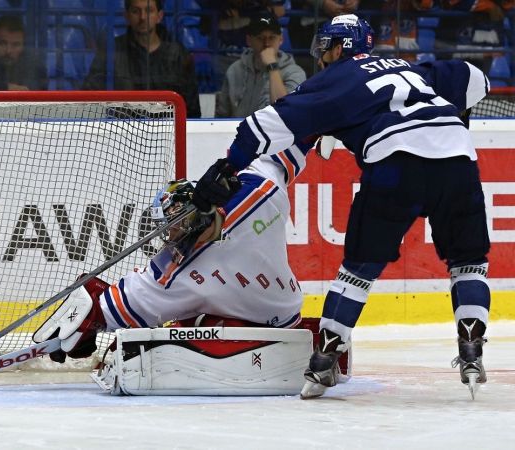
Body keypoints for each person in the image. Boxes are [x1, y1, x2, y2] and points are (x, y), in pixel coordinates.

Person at [191, 14, 491, 399]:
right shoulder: (412, 67)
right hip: (457, 160)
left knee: (358, 272)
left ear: (339, 47)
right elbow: (476, 80)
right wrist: (452, 123)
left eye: (325, 47)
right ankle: (471, 352)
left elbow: (261, 126)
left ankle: (323, 363)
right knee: (468, 262)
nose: (321, 57)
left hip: (394, 165)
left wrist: (226, 168)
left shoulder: (334, 79)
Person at [33, 141, 312, 381]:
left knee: (150, 347)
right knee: (181, 328)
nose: (168, 234)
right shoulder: (259, 191)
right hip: (287, 317)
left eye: (172, 225)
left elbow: (106, 306)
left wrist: (85, 322)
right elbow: (289, 141)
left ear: (190, 218)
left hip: (258, 333)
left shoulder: (174, 274)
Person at [83, 0, 201, 118]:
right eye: (136, 11)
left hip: (169, 133)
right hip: (121, 132)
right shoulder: (111, 52)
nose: (143, 17)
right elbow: (89, 97)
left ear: (159, 16)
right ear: (126, 16)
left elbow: (191, 108)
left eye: (149, 11)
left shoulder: (178, 54)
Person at [215, 12, 305, 118]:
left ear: (280, 39)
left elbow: (284, 113)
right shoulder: (235, 70)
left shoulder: (294, 73)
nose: (266, 43)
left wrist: (272, 67)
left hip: (273, 133)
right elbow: (221, 116)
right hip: (238, 132)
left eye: (272, 37)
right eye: (260, 38)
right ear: (249, 40)